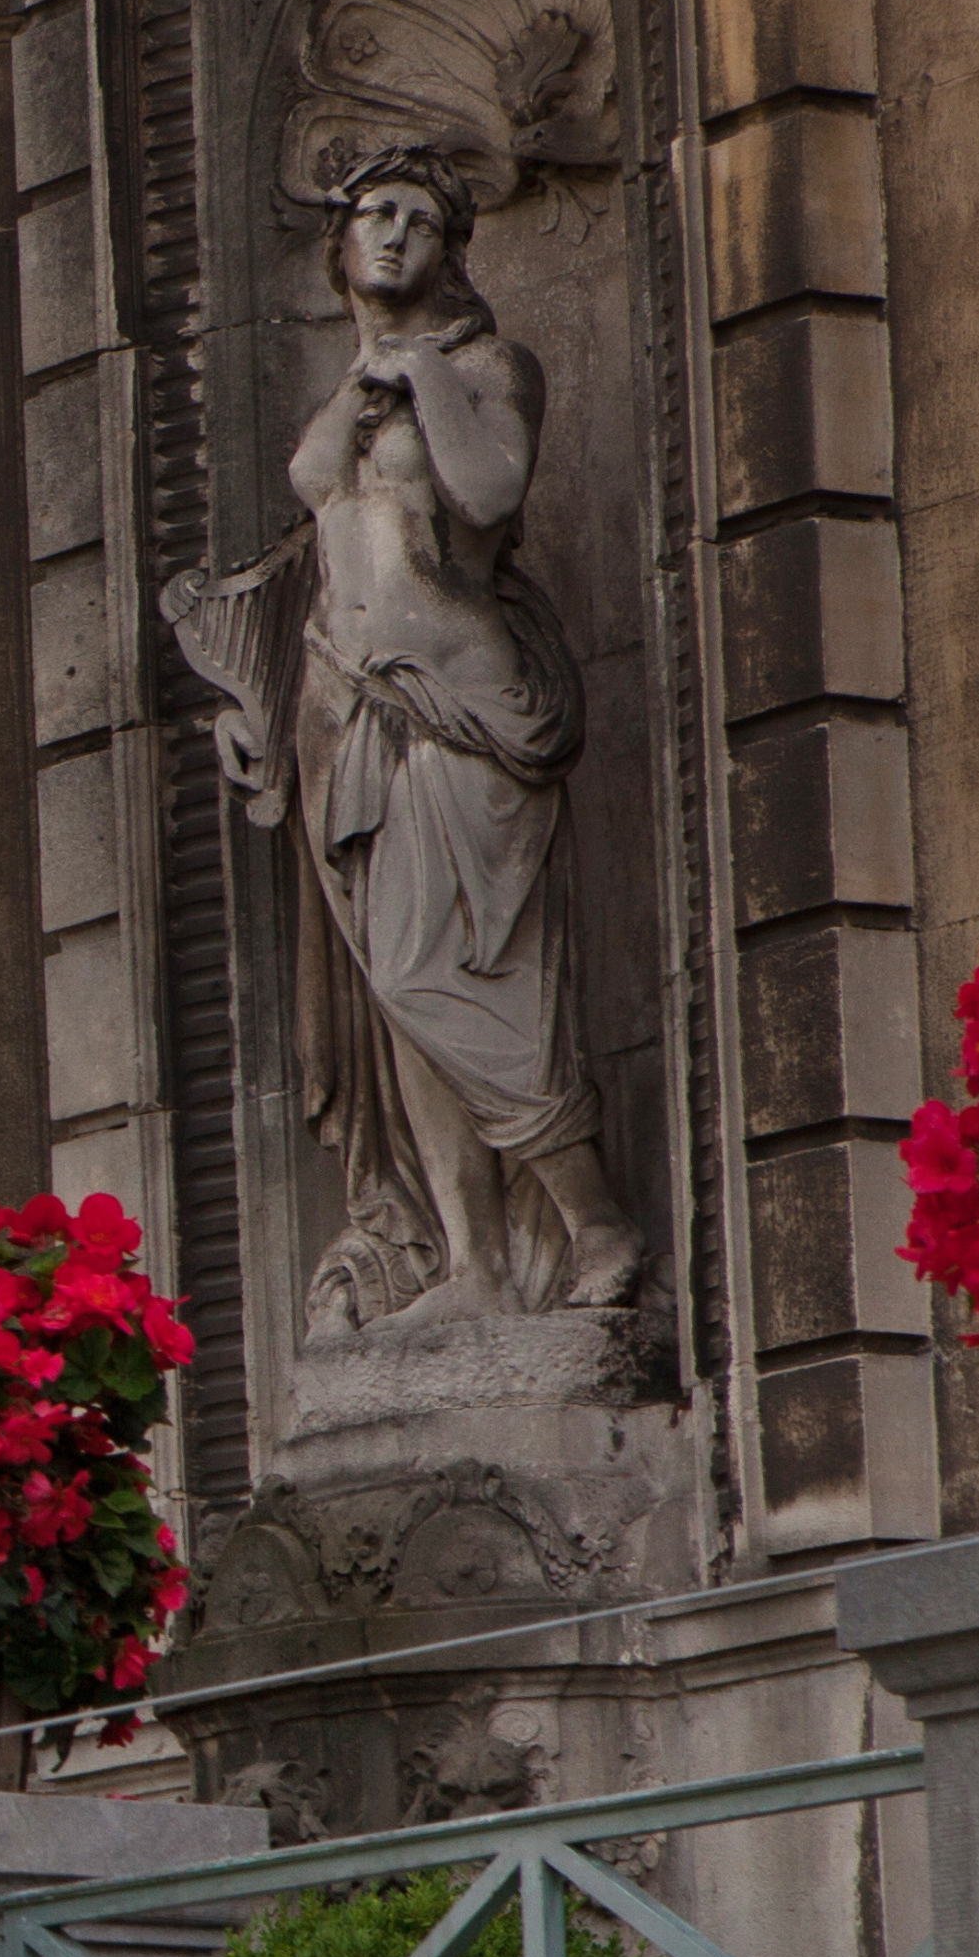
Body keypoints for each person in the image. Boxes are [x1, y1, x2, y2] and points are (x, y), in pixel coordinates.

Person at [169, 152, 644, 1332]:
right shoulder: (347, 392)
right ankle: (473, 1262)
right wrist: (260, 711)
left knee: (469, 983)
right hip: (348, 715)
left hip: (465, 710)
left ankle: (599, 1226)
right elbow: (320, 551)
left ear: (452, 250)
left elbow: (488, 495)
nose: (391, 237)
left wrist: (421, 371)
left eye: (419, 221)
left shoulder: (485, 367)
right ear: (338, 245)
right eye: (372, 216)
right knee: (398, 994)